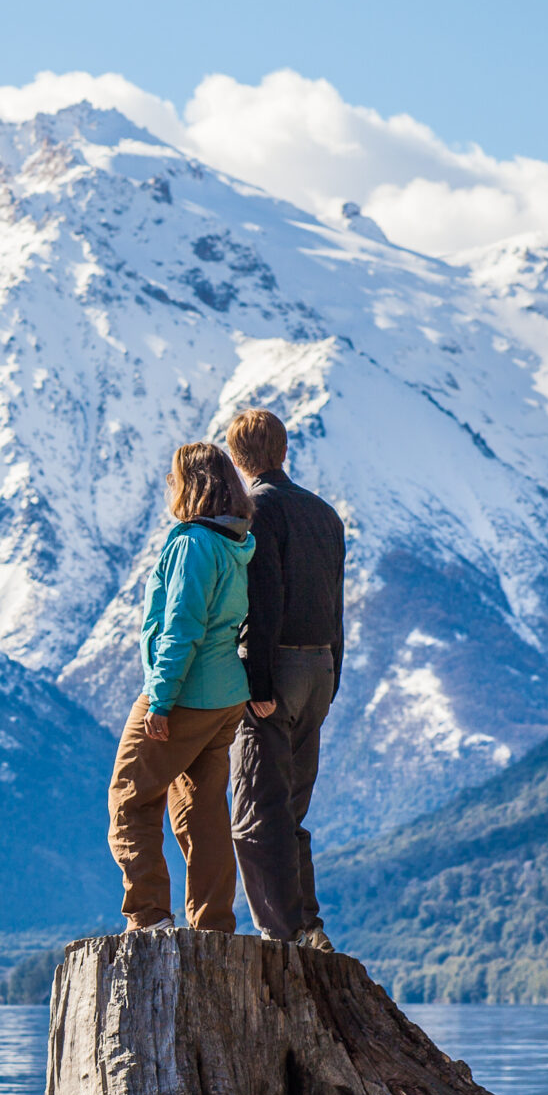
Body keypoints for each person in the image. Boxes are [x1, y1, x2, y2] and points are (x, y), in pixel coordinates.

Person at [108, 442, 257, 932]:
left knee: (129, 798)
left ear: (190, 485)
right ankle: (212, 924)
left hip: (185, 695)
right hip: (226, 697)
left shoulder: (193, 543)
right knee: (202, 812)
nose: (170, 487)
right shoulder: (236, 543)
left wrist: (161, 700)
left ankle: (149, 917)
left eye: (175, 479)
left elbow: (181, 628)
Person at [225, 407, 347, 951]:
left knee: (254, 812)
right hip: (321, 666)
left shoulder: (257, 510)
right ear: (284, 451)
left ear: (237, 457)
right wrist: (331, 676)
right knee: (291, 809)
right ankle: (308, 927)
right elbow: (337, 605)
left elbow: (264, 597)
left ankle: (284, 936)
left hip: (277, 666)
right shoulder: (325, 515)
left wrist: (258, 683)